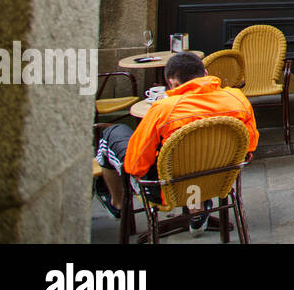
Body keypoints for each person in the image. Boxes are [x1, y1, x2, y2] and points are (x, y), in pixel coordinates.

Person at [94, 52, 259, 225]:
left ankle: (117, 204)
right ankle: (196, 208)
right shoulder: (237, 99)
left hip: (168, 188)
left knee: (111, 134)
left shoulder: (164, 109)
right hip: (220, 179)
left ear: (171, 82)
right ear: (204, 73)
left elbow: (136, 165)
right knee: (192, 157)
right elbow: (248, 149)